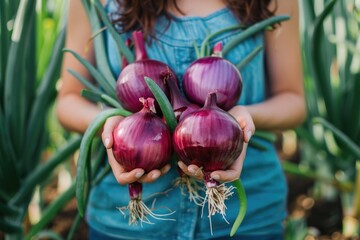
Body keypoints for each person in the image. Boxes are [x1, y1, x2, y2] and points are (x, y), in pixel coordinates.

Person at [56, 0, 306, 239]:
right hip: (128, 222)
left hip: (249, 214)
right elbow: (67, 102)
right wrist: (110, 125)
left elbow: (293, 101)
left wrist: (243, 119)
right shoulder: (93, 1)